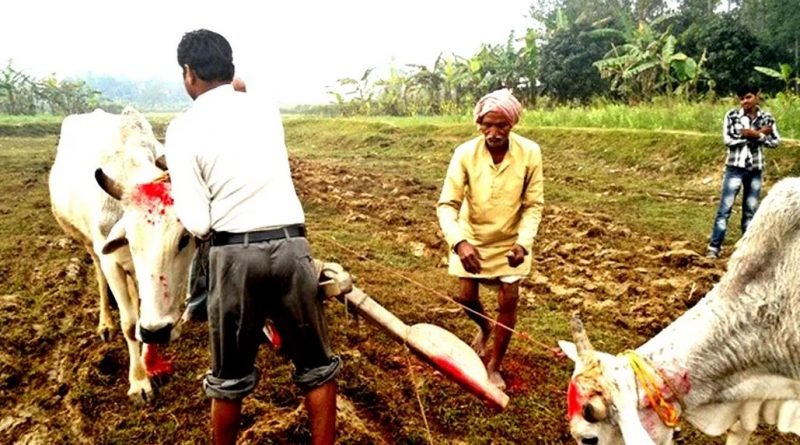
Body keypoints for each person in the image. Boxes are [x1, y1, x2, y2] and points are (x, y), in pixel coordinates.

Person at [165, 29, 341, 445]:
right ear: (230, 66)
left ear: (189, 73)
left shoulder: (182, 130)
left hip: (235, 256)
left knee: (229, 376)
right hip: (293, 247)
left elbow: (198, 221)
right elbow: (241, 90)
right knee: (317, 366)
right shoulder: (265, 108)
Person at [437, 88, 544, 390]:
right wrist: (459, 242)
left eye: (502, 126)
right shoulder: (464, 154)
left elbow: (534, 204)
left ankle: (494, 365)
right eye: (488, 125)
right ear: (479, 124)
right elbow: (447, 205)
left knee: (509, 299)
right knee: (466, 298)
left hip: (511, 242)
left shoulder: (530, 152)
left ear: (513, 125)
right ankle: (484, 329)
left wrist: (523, 243)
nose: (494, 132)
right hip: (471, 238)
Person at [706, 84, 781, 259]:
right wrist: (758, 135)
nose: (744, 102)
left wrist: (754, 135)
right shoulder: (732, 116)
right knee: (725, 209)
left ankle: (746, 250)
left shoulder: (767, 117)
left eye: (747, 97)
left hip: (755, 168)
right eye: (741, 99)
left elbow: (776, 141)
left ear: (757, 96)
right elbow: (728, 140)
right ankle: (714, 247)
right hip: (735, 168)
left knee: (750, 211)